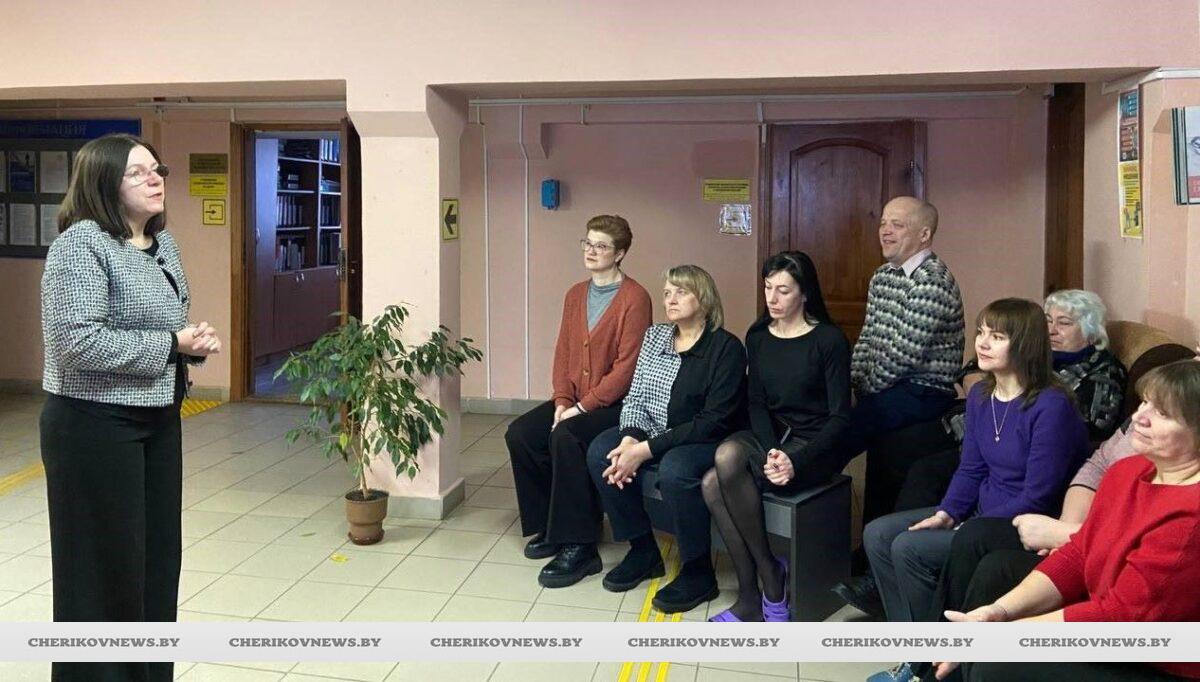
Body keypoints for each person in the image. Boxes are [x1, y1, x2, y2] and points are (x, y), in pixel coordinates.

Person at [40, 133, 221, 682]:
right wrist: (170, 345)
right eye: (137, 172)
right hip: (93, 424)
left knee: (155, 563)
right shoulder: (80, 245)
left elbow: (164, 326)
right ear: (103, 183)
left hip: (157, 418)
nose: (155, 179)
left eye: (157, 169)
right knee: (102, 570)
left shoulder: (162, 244)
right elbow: (76, 342)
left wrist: (190, 343)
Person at [934, 359, 1200, 682]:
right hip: (1116, 620)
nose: (1138, 418)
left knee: (998, 665)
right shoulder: (1127, 471)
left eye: (1162, 413)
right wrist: (997, 613)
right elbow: (1079, 553)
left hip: (1162, 661)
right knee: (995, 581)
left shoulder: (1190, 519)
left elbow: (1120, 620)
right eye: (1144, 402)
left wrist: (1004, 637)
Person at [862, 298, 1089, 627]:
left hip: (1019, 525)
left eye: (997, 337)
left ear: (1025, 344)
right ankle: (913, 636)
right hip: (979, 512)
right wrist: (947, 513)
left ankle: (932, 642)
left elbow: (1037, 496)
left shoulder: (1051, 406)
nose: (982, 343)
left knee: (909, 548)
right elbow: (971, 468)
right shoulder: (982, 395)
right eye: (981, 332)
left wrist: (971, 527)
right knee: (878, 534)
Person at [586, 265, 747, 613]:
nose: (670, 299)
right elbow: (636, 396)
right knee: (601, 451)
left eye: (681, 292)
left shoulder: (726, 348)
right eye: (667, 293)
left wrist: (645, 450)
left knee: (675, 469)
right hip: (654, 429)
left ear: (704, 299)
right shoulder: (655, 336)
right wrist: (629, 439)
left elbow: (712, 422)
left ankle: (699, 572)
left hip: (704, 437)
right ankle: (643, 551)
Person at [833, 197, 965, 615]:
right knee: (857, 425)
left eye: (898, 225)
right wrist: (853, 384)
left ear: (924, 234)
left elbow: (902, 356)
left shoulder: (933, 282)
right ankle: (867, 554)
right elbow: (869, 340)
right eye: (883, 223)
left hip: (926, 390)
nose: (885, 231)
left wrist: (866, 396)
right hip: (886, 388)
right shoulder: (882, 276)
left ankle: (797, 471)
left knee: (847, 430)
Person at [505, 215, 652, 588]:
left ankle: (581, 545)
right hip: (575, 401)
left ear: (620, 253)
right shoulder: (575, 294)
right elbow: (564, 353)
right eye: (587, 243)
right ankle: (552, 525)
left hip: (616, 405)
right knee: (521, 433)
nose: (591, 251)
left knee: (566, 436)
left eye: (601, 246)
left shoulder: (635, 298)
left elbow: (627, 369)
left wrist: (581, 408)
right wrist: (561, 401)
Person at [703, 252, 851, 622]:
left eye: (783, 290)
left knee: (718, 479)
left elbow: (840, 418)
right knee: (716, 473)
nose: (772, 298)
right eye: (768, 288)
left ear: (805, 293)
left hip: (816, 444)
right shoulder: (758, 337)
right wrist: (772, 450)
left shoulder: (829, 340)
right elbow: (756, 404)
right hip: (774, 437)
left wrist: (794, 459)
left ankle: (765, 584)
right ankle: (761, 581)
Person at [1044, 289, 1127, 440]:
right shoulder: (1040, 358)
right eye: (1049, 321)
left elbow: (1095, 431)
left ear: (1091, 333)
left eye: (1064, 323)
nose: (1051, 330)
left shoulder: (1105, 373)